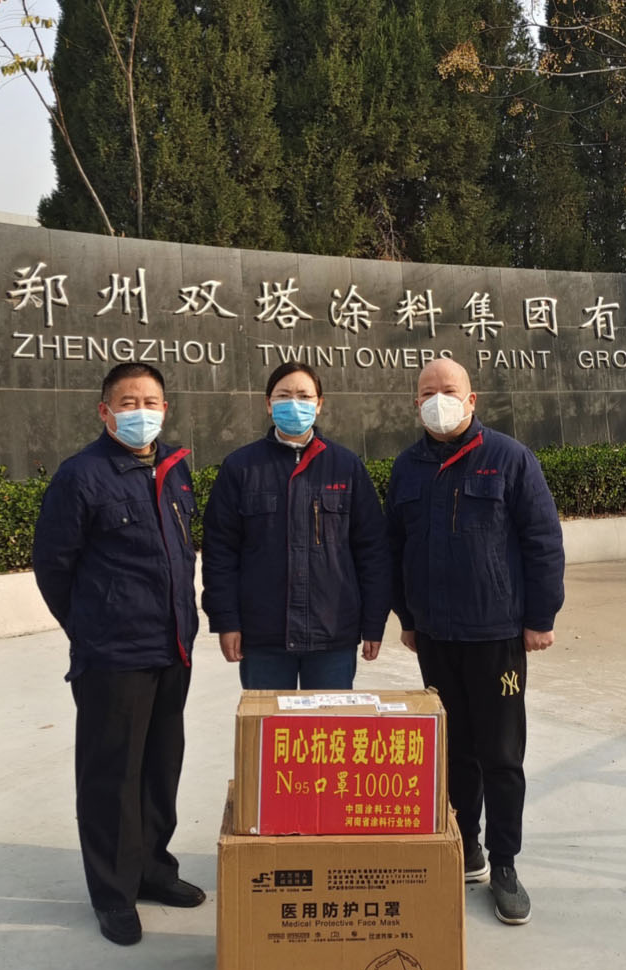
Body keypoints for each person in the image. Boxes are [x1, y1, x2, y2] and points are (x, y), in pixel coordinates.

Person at [385, 359, 564, 925]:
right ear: (415, 404)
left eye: (449, 390)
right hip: (436, 637)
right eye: (427, 392)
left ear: (471, 399)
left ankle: (505, 863)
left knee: (501, 755)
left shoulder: (509, 458)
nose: (438, 399)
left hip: (496, 635)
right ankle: (467, 847)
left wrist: (540, 617)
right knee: (453, 750)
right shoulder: (407, 468)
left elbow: (542, 540)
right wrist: (407, 617)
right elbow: (395, 549)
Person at [32, 363, 203, 947]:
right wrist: (90, 627)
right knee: (112, 775)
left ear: (165, 409)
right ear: (104, 411)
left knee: (160, 767)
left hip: (172, 645)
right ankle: (113, 893)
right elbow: (53, 566)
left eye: (151, 401)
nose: (141, 412)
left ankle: (154, 869)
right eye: (128, 402)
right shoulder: (81, 476)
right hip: (112, 655)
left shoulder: (175, 468)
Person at [201, 363, 391, 690]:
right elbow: (220, 552)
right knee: (269, 723)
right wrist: (226, 620)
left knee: (329, 723)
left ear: (319, 404)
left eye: (304, 396)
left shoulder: (346, 467)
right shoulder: (241, 467)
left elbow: (372, 550)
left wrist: (374, 622)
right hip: (264, 637)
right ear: (268, 403)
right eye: (283, 396)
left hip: (333, 635)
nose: (294, 404)